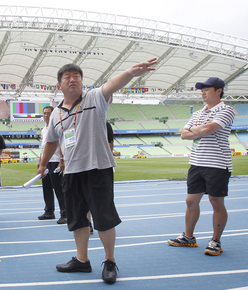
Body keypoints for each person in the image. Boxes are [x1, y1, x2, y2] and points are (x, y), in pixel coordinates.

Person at [38, 59, 157, 284]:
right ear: (59, 84)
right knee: (78, 219)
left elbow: (112, 83)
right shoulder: (55, 114)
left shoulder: (94, 98)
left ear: (82, 82)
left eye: (77, 76)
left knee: (103, 218)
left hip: (98, 168)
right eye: (67, 77)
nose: (73, 79)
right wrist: (43, 163)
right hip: (72, 171)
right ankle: (82, 260)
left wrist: (131, 72)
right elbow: (52, 142)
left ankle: (109, 261)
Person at [168, 77, 235, 256]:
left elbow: (207, 130)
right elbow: (183, 134)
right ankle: (188, 237)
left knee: (216, 202)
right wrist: (201, 129)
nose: (203, 92)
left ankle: (215, 240)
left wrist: (197, 130)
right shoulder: (198, 112)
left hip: (217, 163)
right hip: (197, 162)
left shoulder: (226, 109)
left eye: (207, 89)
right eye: (201, 90)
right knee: (190, 201)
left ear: (219, 90)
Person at [37, 106, 66, 224]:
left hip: (55, 161)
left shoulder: (56, 127)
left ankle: (65, 213)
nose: (46, 115)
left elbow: (60, 144)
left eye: (48, 113)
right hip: (46, 161)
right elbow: (43, 147)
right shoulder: (44, 129)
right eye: (44, 113)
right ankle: (49, 211)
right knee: (47, 187)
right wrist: (40, 162)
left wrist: (61, 160)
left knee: (59, 188)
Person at [87, 121, 115, 234]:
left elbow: (110, 144)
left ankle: (103, 224)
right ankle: (87, 224)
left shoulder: (104, 124)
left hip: (102, 166)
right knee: (85, 198)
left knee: (103, 199)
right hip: (85, 166)